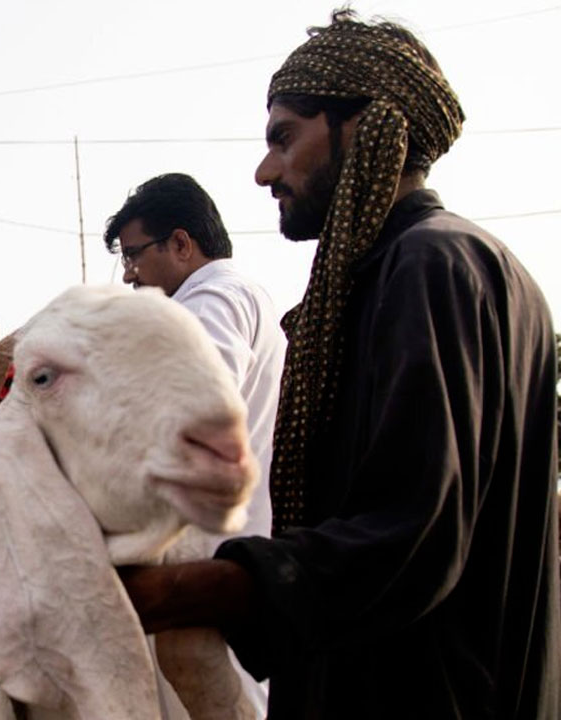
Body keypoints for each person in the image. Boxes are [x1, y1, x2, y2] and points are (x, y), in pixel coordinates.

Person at [121, 11, 559, 718]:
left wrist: (179, 594)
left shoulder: (431, 265)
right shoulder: (423, 269)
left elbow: (412, 534)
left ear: (361, 127)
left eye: (285, 138)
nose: (266, 171)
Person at [104, 172, 285, 717]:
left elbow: (187, 412)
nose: (130, 274)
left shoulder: (213, 297)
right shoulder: (226, 298)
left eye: (135, 255)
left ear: (181, 243)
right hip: (211, 561)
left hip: (210, 565)